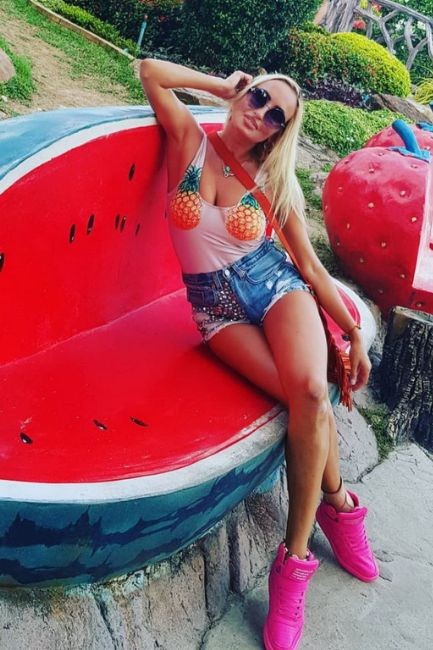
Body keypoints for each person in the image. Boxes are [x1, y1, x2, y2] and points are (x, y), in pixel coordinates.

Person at [140, 58, 379, 650]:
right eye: (260, 99)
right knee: (308, 405)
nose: (262, 114)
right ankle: (339, 502)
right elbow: (149, 71)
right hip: (216, 310)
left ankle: (292, 565)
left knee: (310, 393)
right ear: (244, 94)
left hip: (275, 287)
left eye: (276, 116)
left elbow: (310, 267)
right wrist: (223, 86)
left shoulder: (272, 180)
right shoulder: (189, 140)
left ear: (279, 132)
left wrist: (351, 331)